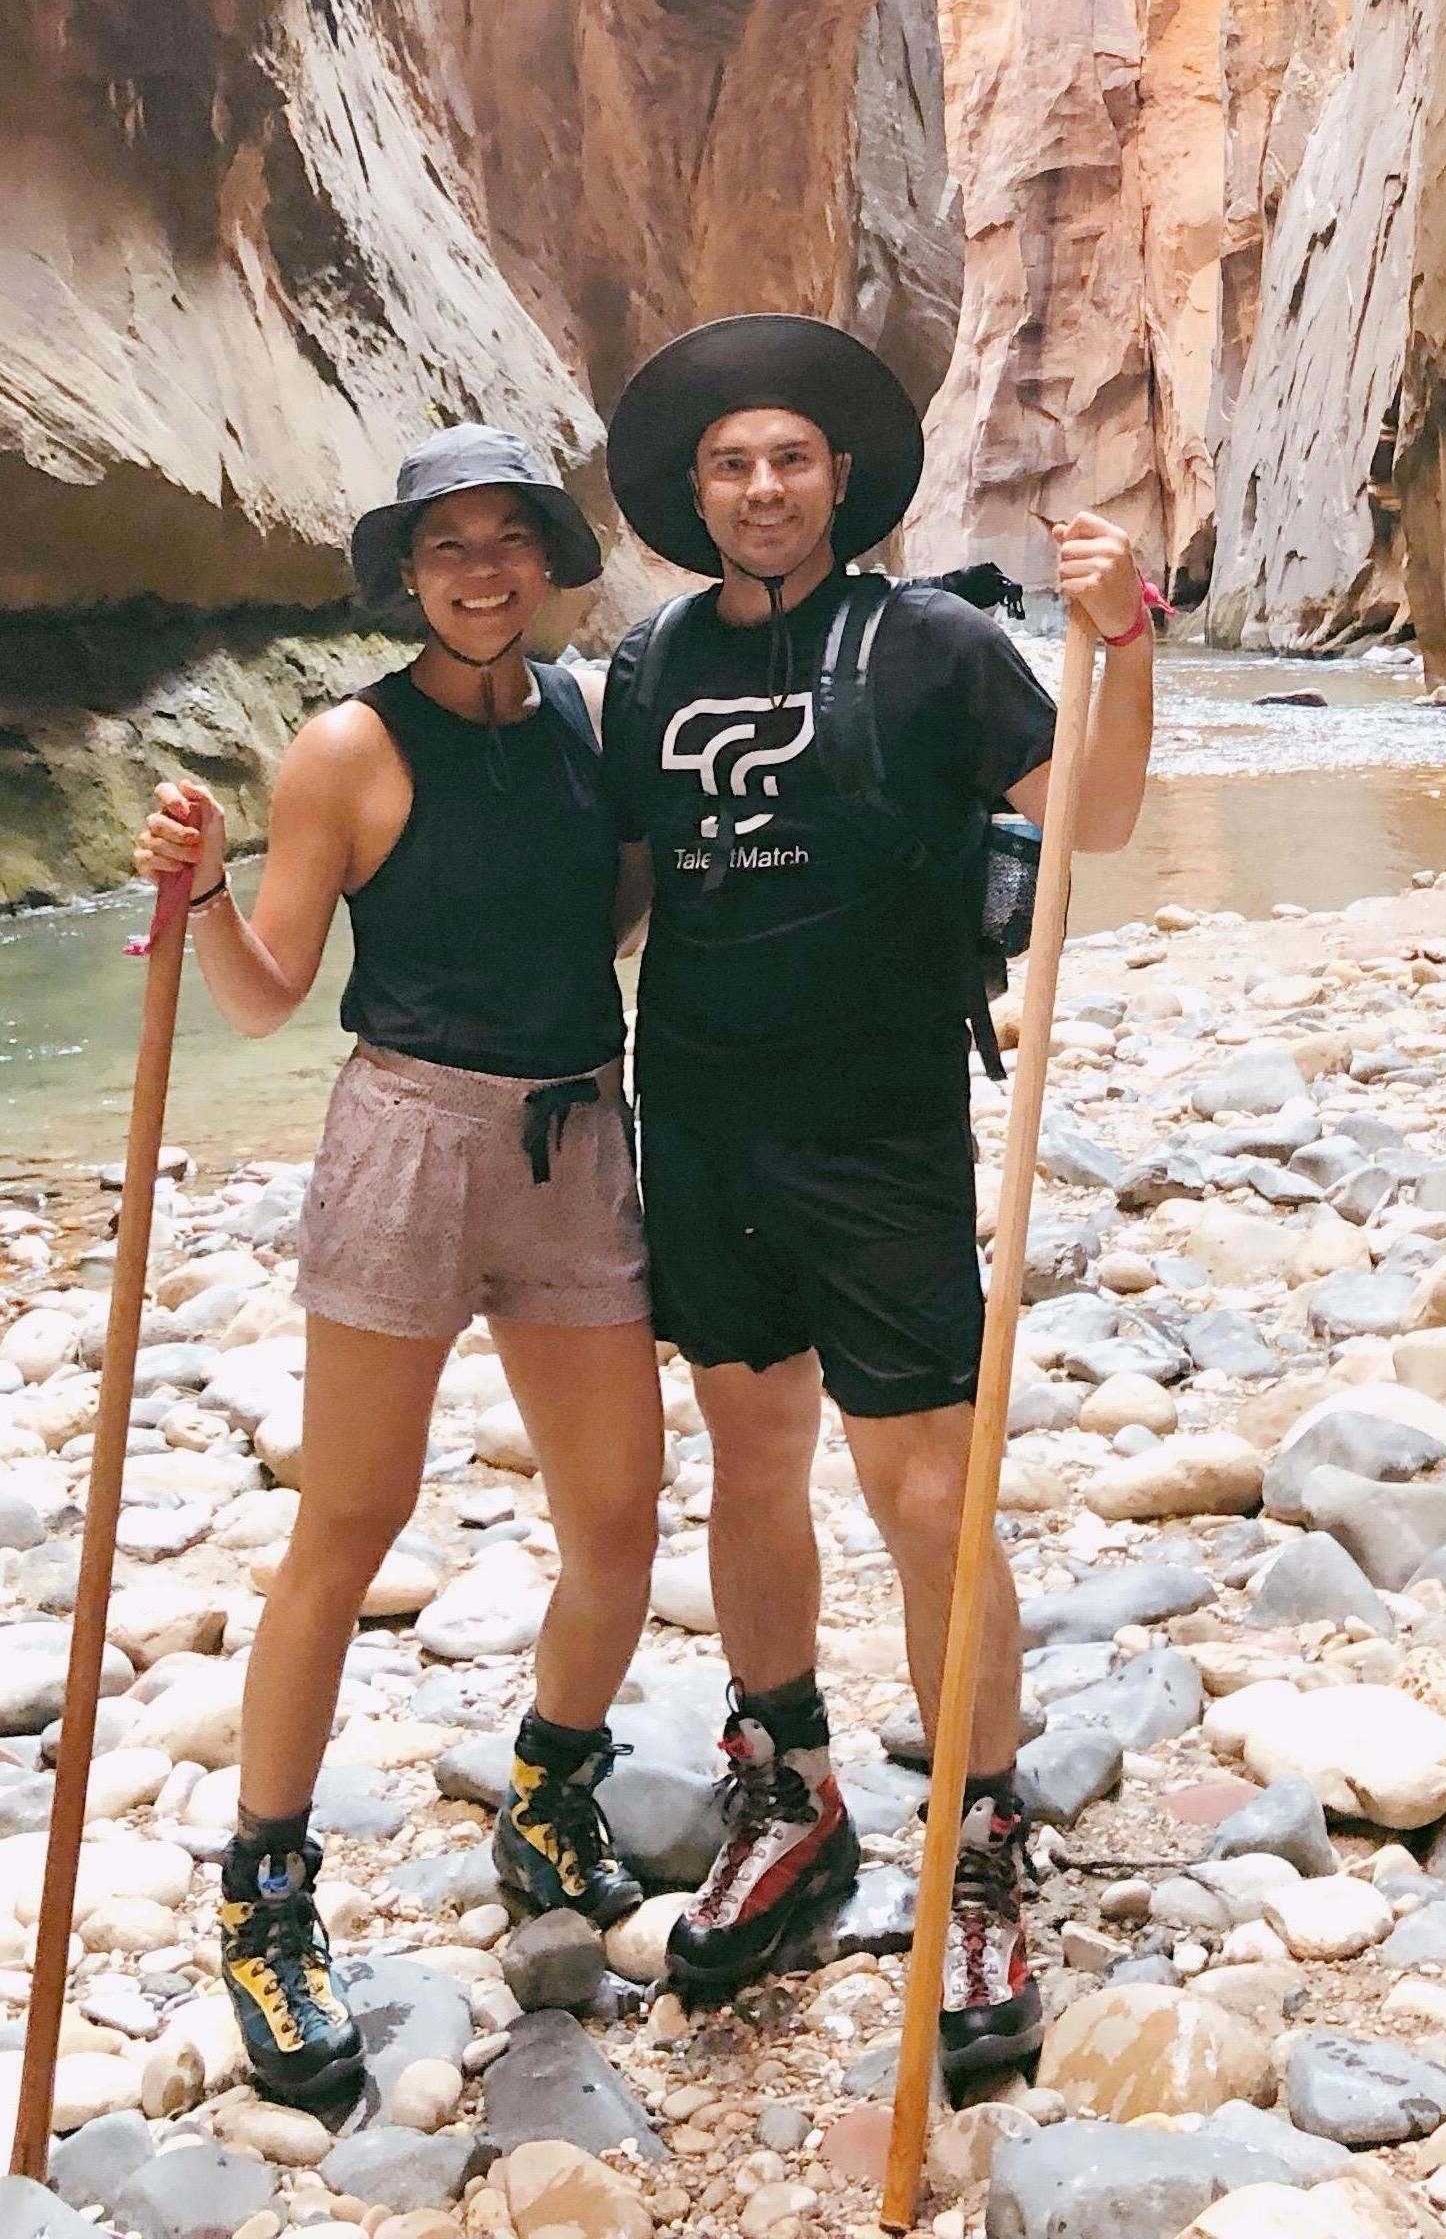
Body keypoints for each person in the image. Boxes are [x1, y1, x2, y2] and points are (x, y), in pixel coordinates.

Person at [598, 316, 1156, 2085]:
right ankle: (793, 1788)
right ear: (693, 494)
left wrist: (1123, 640)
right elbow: (620, 888)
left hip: (877, 1128)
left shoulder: (934, 649)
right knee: (749, 1455)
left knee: (926, 1487)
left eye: (790, 458)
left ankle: (979, 1835)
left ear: (842, 477)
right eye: (728, 464)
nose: (761, 487)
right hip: (693, 1114)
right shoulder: (649, 666)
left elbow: (1099, 817)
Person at [132, 428, 664, 2115]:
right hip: (409, 1141)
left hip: (577, 1139)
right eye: (450, 546)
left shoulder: (591, 724)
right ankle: (268, 1892)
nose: (482, 570)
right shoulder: (346, 747)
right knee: (348, 1520)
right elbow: (268, 987)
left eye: (511, 540)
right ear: (407, 572)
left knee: (623, 1512)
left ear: (549, 561)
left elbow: (622, 913)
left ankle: (548, 1784)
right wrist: (197, 898)